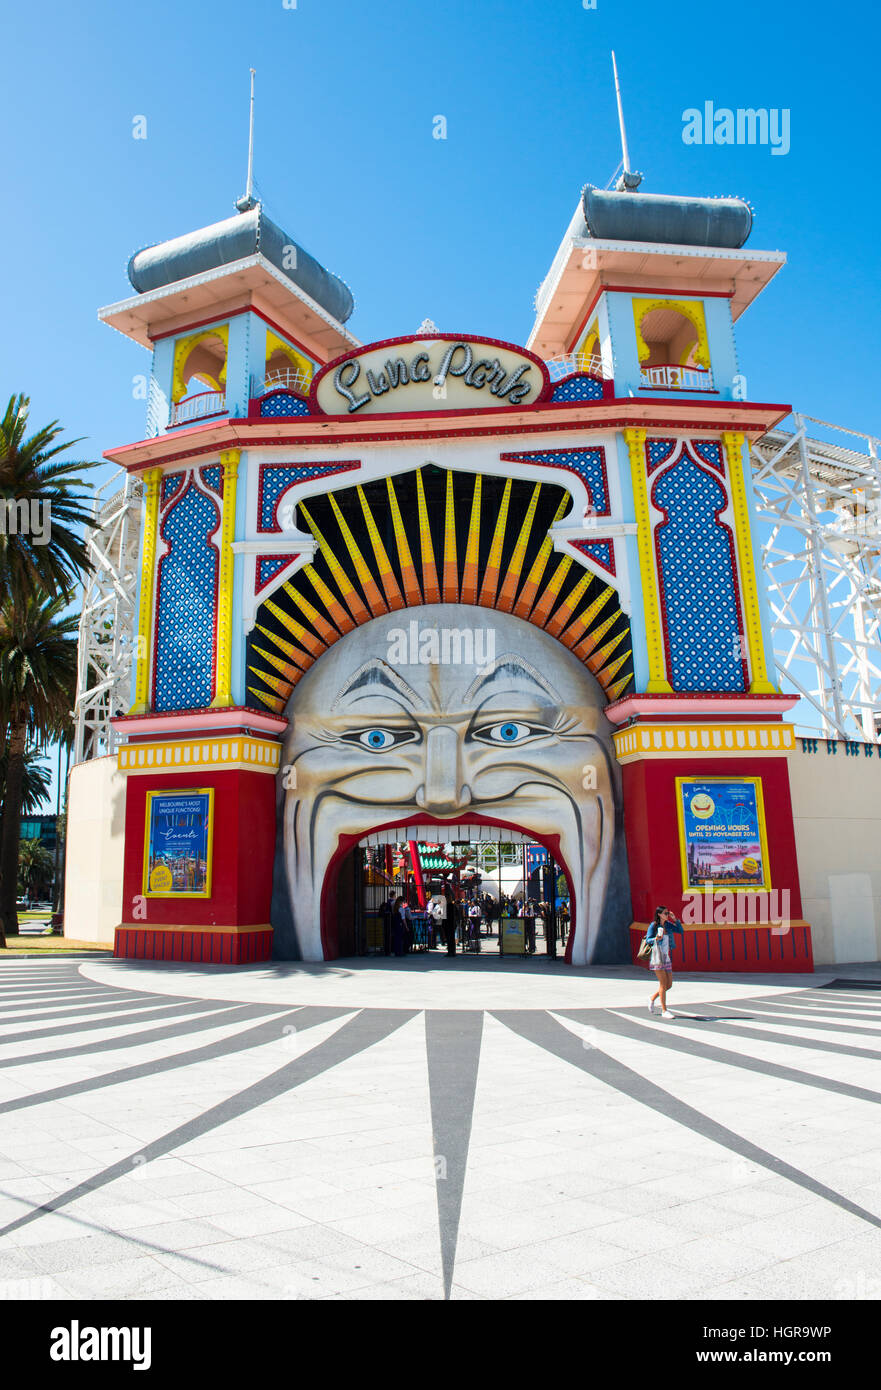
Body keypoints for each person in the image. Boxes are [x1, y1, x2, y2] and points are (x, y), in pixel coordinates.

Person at [646, 906, 684, 1018]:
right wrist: (656, 938)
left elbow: (680, 931)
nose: (667, 915)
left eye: (668, 913)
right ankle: (664, 1011)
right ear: (659, 914)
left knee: (669, 985)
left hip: (666, 957)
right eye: (665, 913)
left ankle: (652, 998)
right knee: (663, 984)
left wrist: (675, 919)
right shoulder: (653, 926)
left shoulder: (668, 925)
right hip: (657, 957)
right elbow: (648, 939)